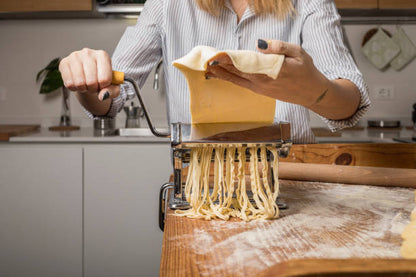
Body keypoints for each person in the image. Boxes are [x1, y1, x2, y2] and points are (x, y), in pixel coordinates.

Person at [59, 0, 370, 143]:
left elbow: (350, 103)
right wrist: (89, 85)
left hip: (292, 178)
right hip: (199, 181)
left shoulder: (309, 3)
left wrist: (316, 91)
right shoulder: (167, 5)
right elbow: (110, 99)